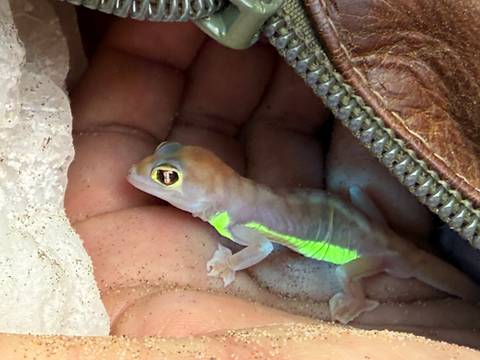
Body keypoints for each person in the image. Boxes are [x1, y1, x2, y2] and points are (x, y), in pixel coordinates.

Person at [1, 15, 478, 358]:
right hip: (364, 222)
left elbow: (261, 248)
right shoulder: (238, 197)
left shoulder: (237, 218)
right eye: (166, 166)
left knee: (349, 275)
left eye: (166, 177)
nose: (145, 174)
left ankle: (361, 299)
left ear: (205, 194)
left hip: (368, 254)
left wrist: (229, 261)